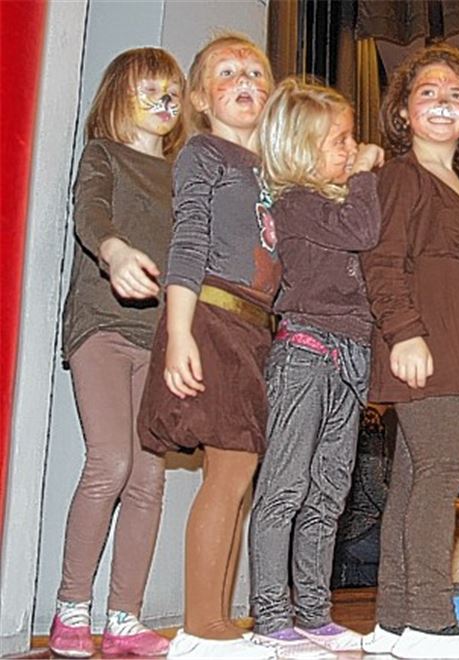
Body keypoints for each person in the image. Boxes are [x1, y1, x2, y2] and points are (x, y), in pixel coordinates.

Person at [359, 43, 459, 660]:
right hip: (421, 351)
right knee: (440, 474)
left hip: (456, 355)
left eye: (456, 95)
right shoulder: (402, 177)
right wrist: (405, 332)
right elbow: (383, 262)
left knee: (412, 482)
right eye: (428, 93)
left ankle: (393, 622)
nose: (443, 102)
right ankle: (429, 620)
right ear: (404, 113)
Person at [135, 33, 278, 659]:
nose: (245, 78)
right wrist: (179, 333)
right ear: (200, 97)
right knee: (227, 472)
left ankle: (219, 621)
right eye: (227, 72)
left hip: (254, 328)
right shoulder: (204, 152)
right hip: (213, 315)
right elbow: (187, 240)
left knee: (238, 473)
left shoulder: (273, 172)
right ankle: (199, 629)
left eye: (255, 70)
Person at [50, 47, 185, 659]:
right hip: (102, 328)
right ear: (117, 95)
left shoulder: (184, 175)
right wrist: (114, 250)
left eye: (173, 92)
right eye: (149, 90)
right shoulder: (104, 155)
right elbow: (90, 211)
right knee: (110, 462)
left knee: (149, 477)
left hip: (157, 340)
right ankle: (70, 607)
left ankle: (122, 619)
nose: (165, 102)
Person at [246, 78, 384, 656]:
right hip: (306, 354)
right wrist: (367, 173)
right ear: (302, 150)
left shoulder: (335, 200)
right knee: (285, 486)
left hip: (350, 355)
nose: (351, 149)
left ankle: (313, 610)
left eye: (352, 140)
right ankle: (271, 614)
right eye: (340, 140)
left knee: (330, 490)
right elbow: (363, 230)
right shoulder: (297, 202)